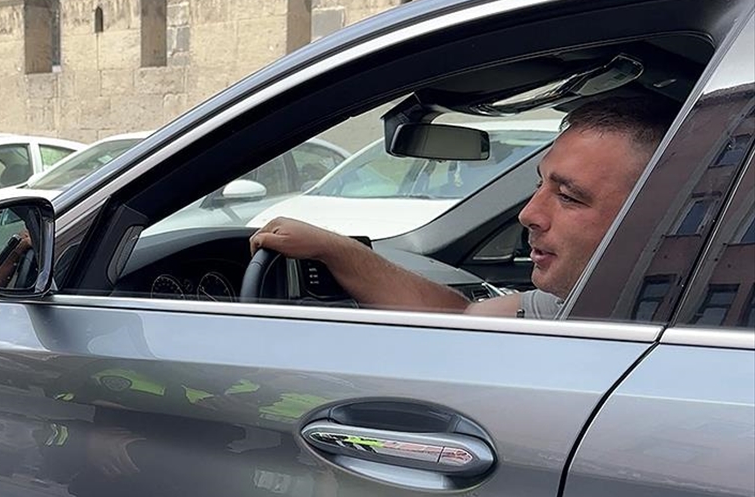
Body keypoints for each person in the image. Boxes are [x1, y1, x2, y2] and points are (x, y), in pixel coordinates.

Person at [250, 97, 677, 318]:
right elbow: (463, 315)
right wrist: (334, 249)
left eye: (568, 197)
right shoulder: (587, 300)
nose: (528, 214)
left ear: (657, 218)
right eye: (539, 184)